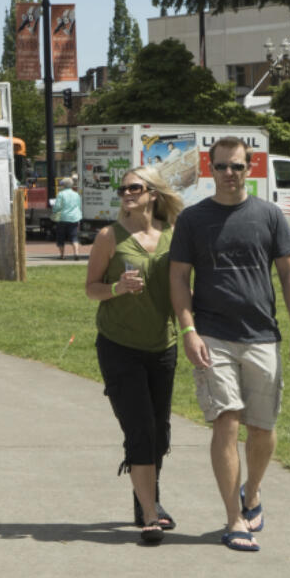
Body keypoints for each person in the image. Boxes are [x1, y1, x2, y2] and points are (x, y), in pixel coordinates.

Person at [169, 136, 290, 554]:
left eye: (236, 166)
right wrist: (188, 330)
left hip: (262, 336)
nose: (229, 174)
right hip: (213, 335)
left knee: (262, 427)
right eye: (221, 166)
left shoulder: (269, 215)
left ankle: (251, 492)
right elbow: (179, 278)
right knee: (227, 420)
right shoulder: (193, 220)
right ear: (209, 168)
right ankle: (234, 519)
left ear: (249, 168)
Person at [85, 166, 182, 545]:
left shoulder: (173, 236)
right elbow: (91, 289)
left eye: (134, 188)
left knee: (159, 432)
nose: (127, 193)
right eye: (123, 188)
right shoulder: (109, 237)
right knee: (139, 428)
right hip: (119, 346)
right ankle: (151, 514)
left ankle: (145, 501)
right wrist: (117, 288)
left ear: (152, 193)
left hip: (163, 346)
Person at [53, 177, 83, 260]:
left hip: (62, 218)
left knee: (61, 237)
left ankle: (62, 255)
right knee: (74, 236)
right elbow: (79, 206)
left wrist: (54, 211)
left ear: (63, 186)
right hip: (74, 218)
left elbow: (57, 206)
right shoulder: (76, 194)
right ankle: (76, 253)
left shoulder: (61, 194)